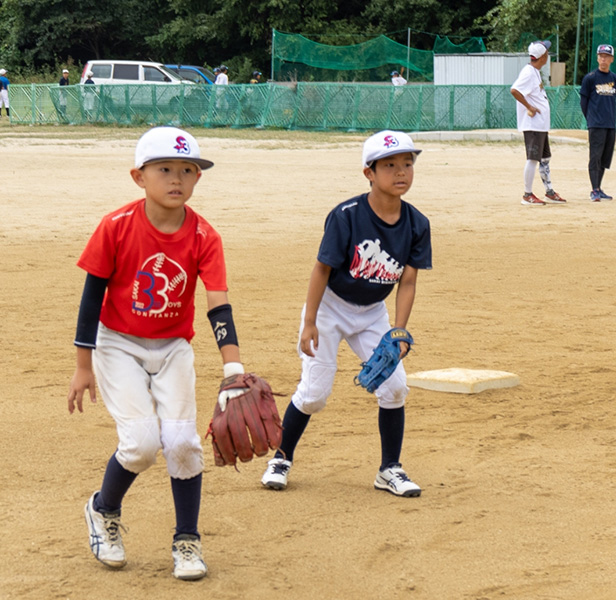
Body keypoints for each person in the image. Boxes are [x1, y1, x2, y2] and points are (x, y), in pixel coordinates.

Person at [67, 126, 248, 580]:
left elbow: (218, 302)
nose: (176, 179)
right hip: (117, 344)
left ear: (197, 180)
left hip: (172, 347)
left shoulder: (205, 235)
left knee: (184, 444)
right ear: (138, 176)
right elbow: (92, 299)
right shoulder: (116, 226)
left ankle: (187, 540)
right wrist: (82, 365)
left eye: (188, 170)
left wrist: (233, 366)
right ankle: (103, 510)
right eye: (164, 169)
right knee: (142, 443)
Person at [260, 130, 431, 498]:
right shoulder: (347, 216)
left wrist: (397, 331)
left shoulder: (417, 224)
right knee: (314, 394)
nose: (401, 171)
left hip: (372, 313)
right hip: (329, 309)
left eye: (407, 163)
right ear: (369, 172)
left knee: (396, 386)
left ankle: (390, 469)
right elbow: (321, 269)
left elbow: (409, 282)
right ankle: (281, 457)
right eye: (390, 165)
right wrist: (309, 323)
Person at [510, 40, 566, 206]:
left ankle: (549, 191)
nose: (548, 55)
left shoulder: (534, 71)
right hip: (533, 125)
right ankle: (527, 194)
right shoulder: (528, 72)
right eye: (547, 52)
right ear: (543, 56)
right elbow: (514, 90)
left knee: (545, 158)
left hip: (540, 125)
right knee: (533, 159)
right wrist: (529, 107)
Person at [580, 44, 616, 202]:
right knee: (595, 156)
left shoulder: (614, 79)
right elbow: (584, 102)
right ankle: (594, 189)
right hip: (596, 124)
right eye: (601, 56)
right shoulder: (590, 78)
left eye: (606, 56)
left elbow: (612, 101)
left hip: (610, 124)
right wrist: (590, 119)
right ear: (597, 58)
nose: (603, 59)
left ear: (611, 59)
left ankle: (599, 187)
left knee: (605, 157)